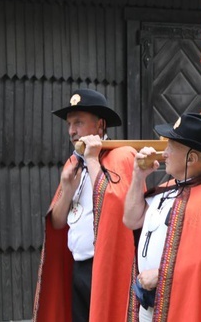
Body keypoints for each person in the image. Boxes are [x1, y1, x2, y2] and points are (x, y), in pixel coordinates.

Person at [123, 113, 201, 321]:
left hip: (180, 308)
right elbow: (131, 219)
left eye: (170, 146)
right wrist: (137, 177)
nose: (164, 153)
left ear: (192, 158)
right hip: (148, 305)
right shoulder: (169, 189)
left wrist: (161, 276)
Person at [33, 89, 136, 322]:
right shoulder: (73, 163)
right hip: (77, 267)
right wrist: (67, 189)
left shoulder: (121, 156)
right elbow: (58, 223)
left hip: (106, 268)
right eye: (69, 124)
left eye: (78, 122)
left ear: (100, 126)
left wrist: (91, 160)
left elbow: (116, 206)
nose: (71, 131)